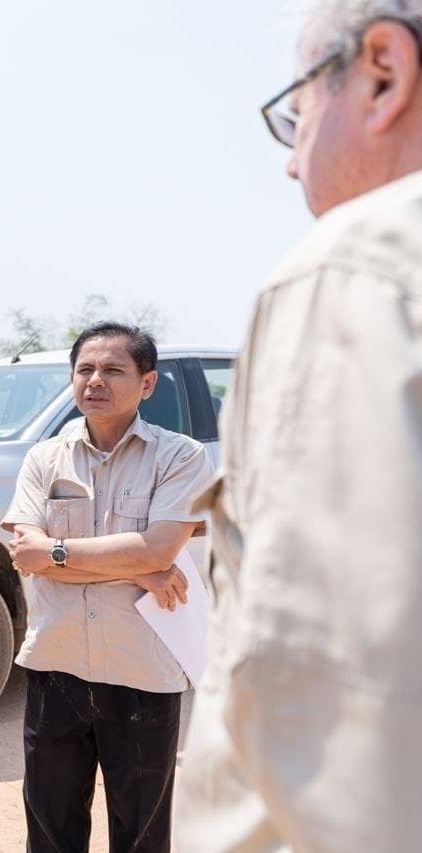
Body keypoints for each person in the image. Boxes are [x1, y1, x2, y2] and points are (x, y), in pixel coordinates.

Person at [175, 5, 422, 850]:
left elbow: (345, 718)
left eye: (297, 113)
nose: (289, 161)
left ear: (383, 73)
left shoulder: (356, 268)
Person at [3, 323, 214, 852]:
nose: (95, 380)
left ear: (147, 383)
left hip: (143, 668)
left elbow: (157, 550)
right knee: (50, 832)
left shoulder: (181, 456)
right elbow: (25, 553)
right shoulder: (43, 458)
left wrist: (60, 555)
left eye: (113, 370)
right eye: (86, 369)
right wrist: (136, 570)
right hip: (56, 663)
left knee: (141, 833)